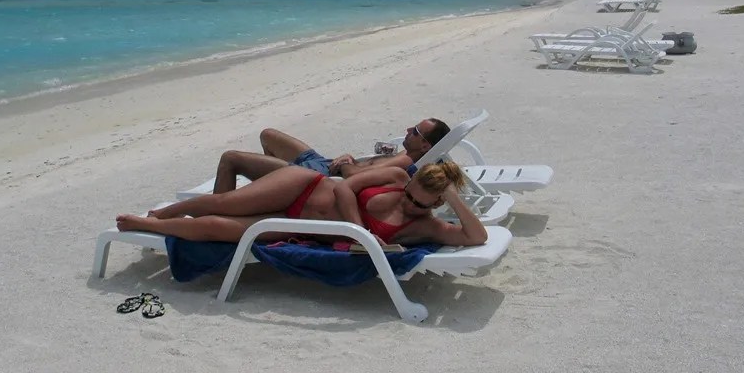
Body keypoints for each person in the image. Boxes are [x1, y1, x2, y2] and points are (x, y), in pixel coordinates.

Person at [117, 160, 488, 248]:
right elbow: (345, 188)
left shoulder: (423, 226)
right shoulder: (395, 177)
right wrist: (359, 232)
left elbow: (477, 238)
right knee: (225, 202)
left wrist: (453, 198)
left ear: (436, 202)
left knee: (219, 226)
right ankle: (162, 213)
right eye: (409, 195)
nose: (408, 204)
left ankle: (151, 226)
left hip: (298, 224)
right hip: (305, 187)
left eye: (419, 204)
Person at [210, 118, 451, 193]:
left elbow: (353, 178)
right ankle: (267, 192)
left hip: (314, 176)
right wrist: (349, 158)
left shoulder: (405, 161)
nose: (408, 130)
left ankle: (221, 213)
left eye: (416, 132)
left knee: (230, 158)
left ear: (426, 146)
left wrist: (347, 163)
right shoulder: (408, 155)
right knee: (268, 135)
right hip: (322, 163)